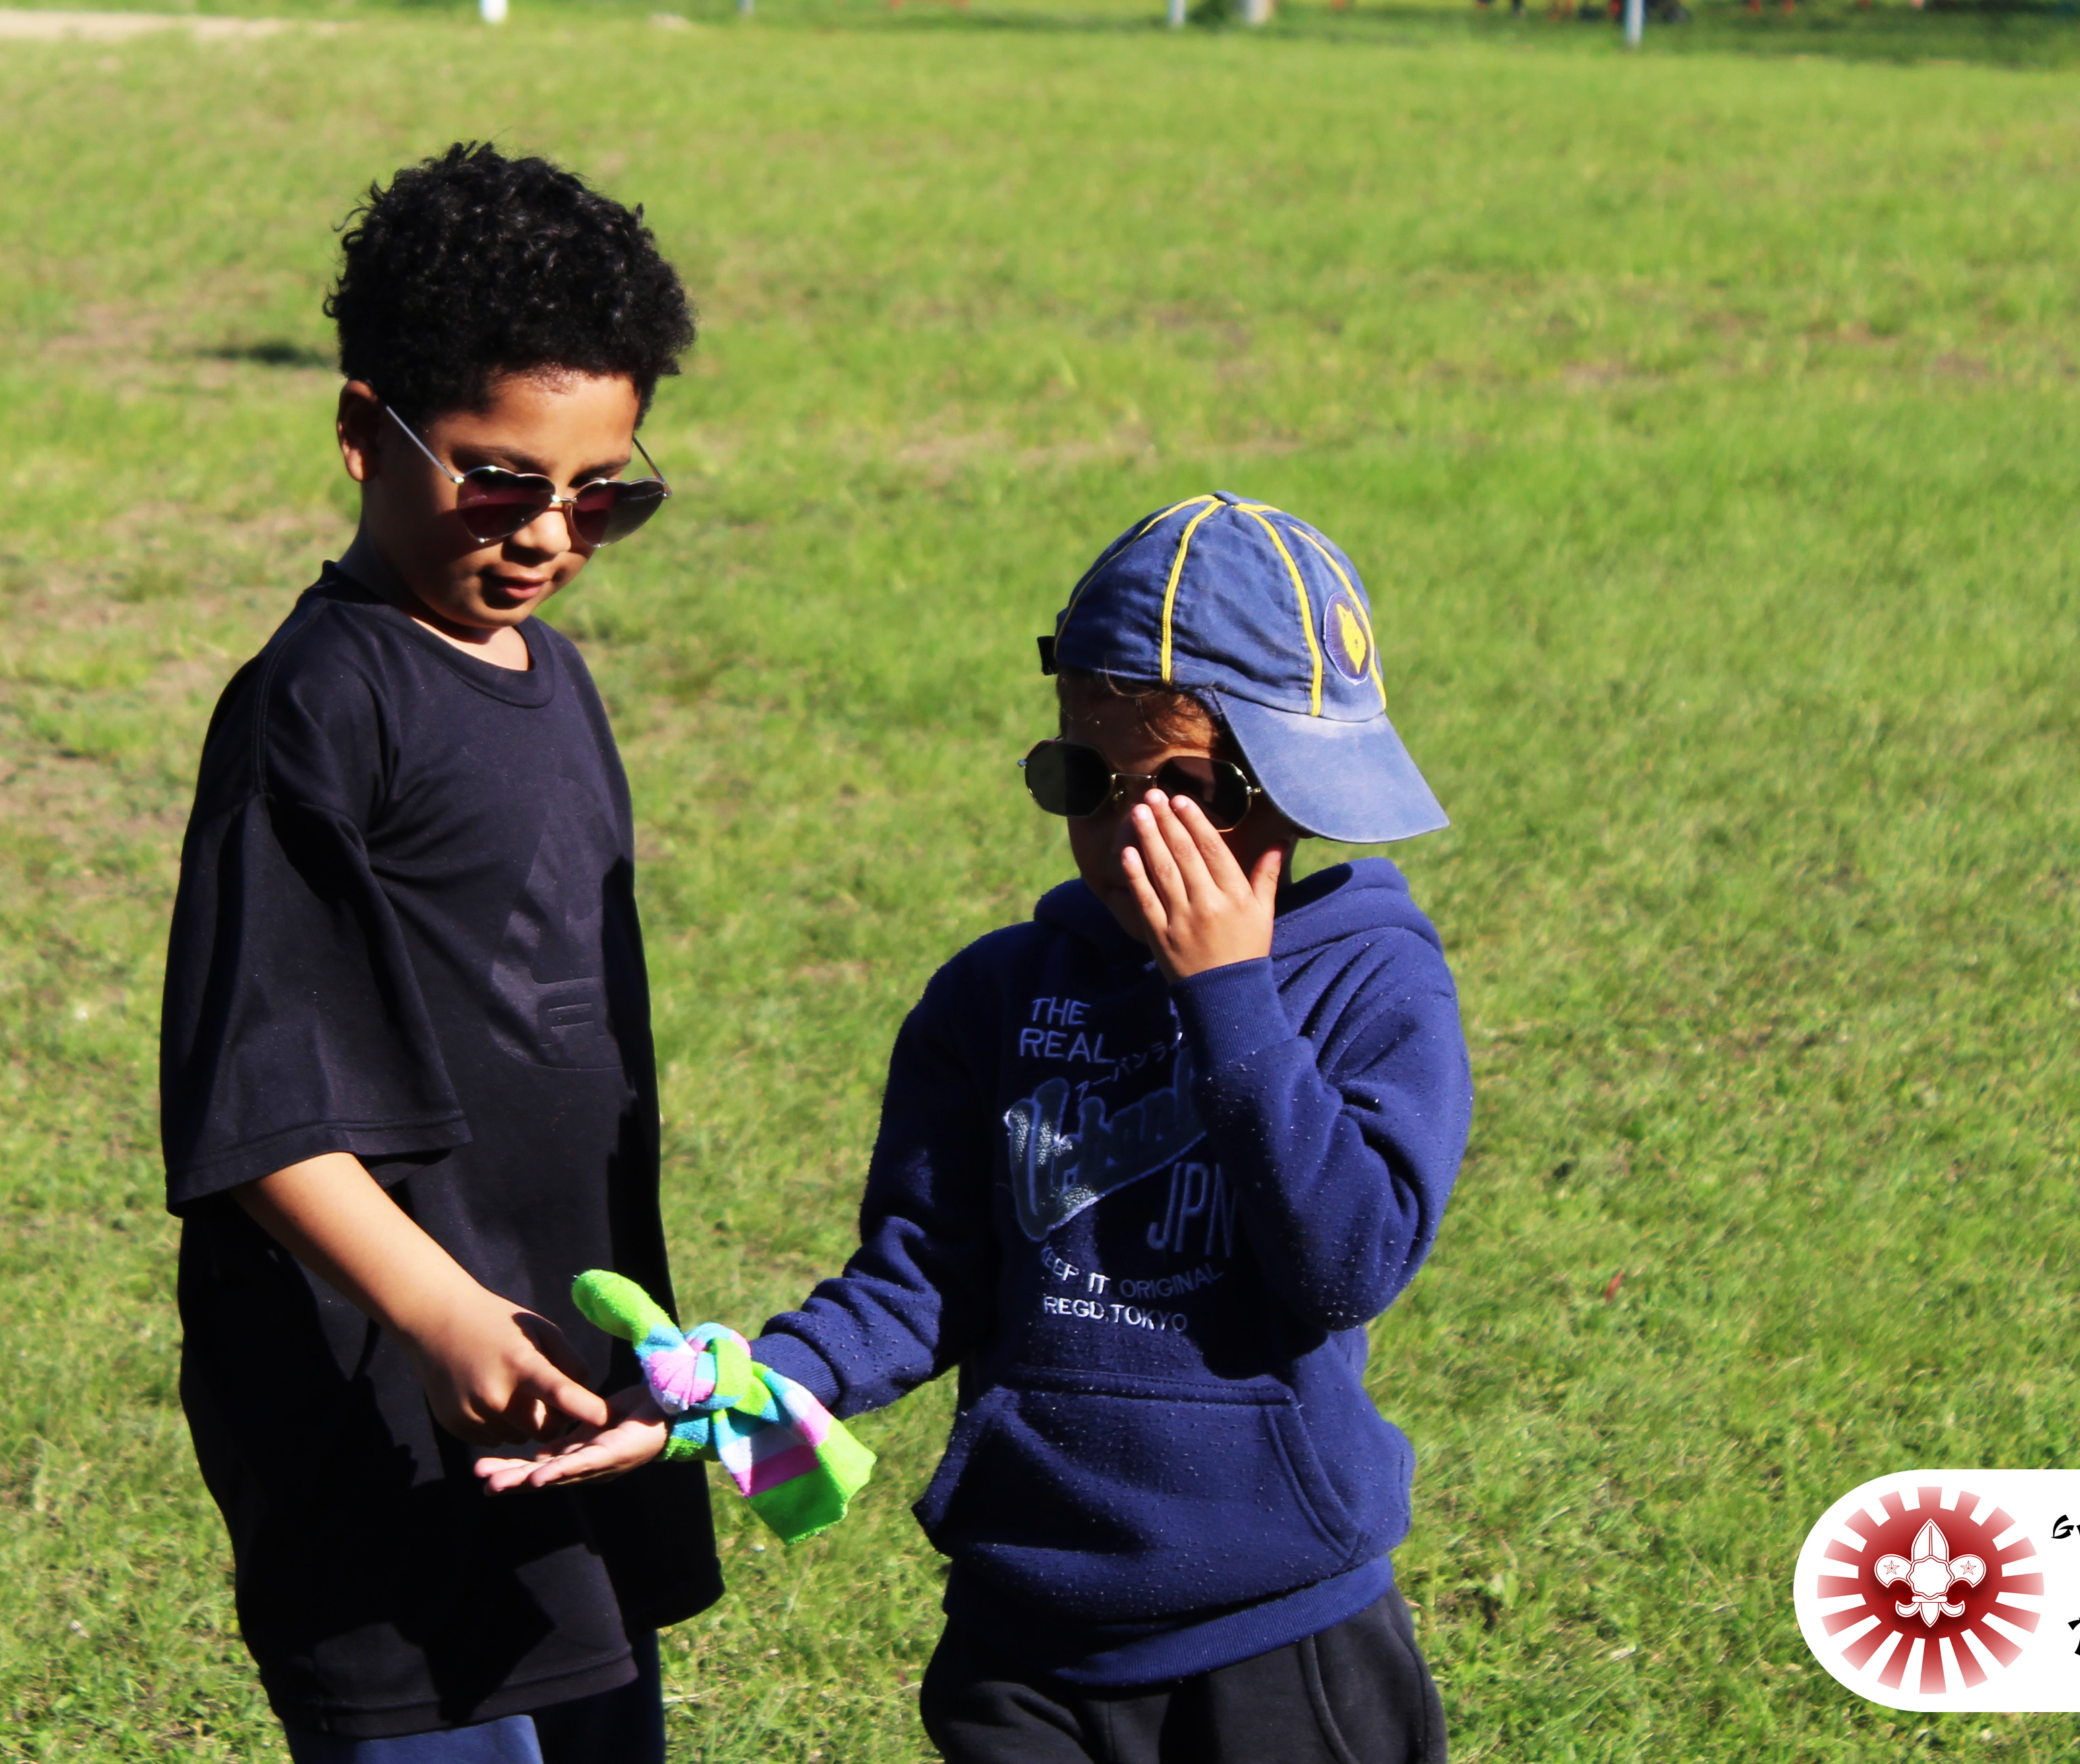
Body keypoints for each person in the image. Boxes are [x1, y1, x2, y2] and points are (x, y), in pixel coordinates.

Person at [492, 493, 1470, 1764]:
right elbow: (921, 1280)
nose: (1132, 830)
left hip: (1280, 1632)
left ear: (1296, 781)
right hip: (1022, 1638)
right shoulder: (995, 996)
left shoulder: (1370, 979)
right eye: (1086, 780)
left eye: (1189, 790)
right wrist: (733, 1398)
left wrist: (1227, 995)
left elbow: (1345, 1264)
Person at [158, 145, 719, 1762]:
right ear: (363, 433)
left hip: (563, 1385)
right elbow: (254, 1103)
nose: (548, 533)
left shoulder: (554, 679)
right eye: (498, 480)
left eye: (601, 494)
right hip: (386, 1413)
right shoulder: (317, 707)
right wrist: (438, 1310)